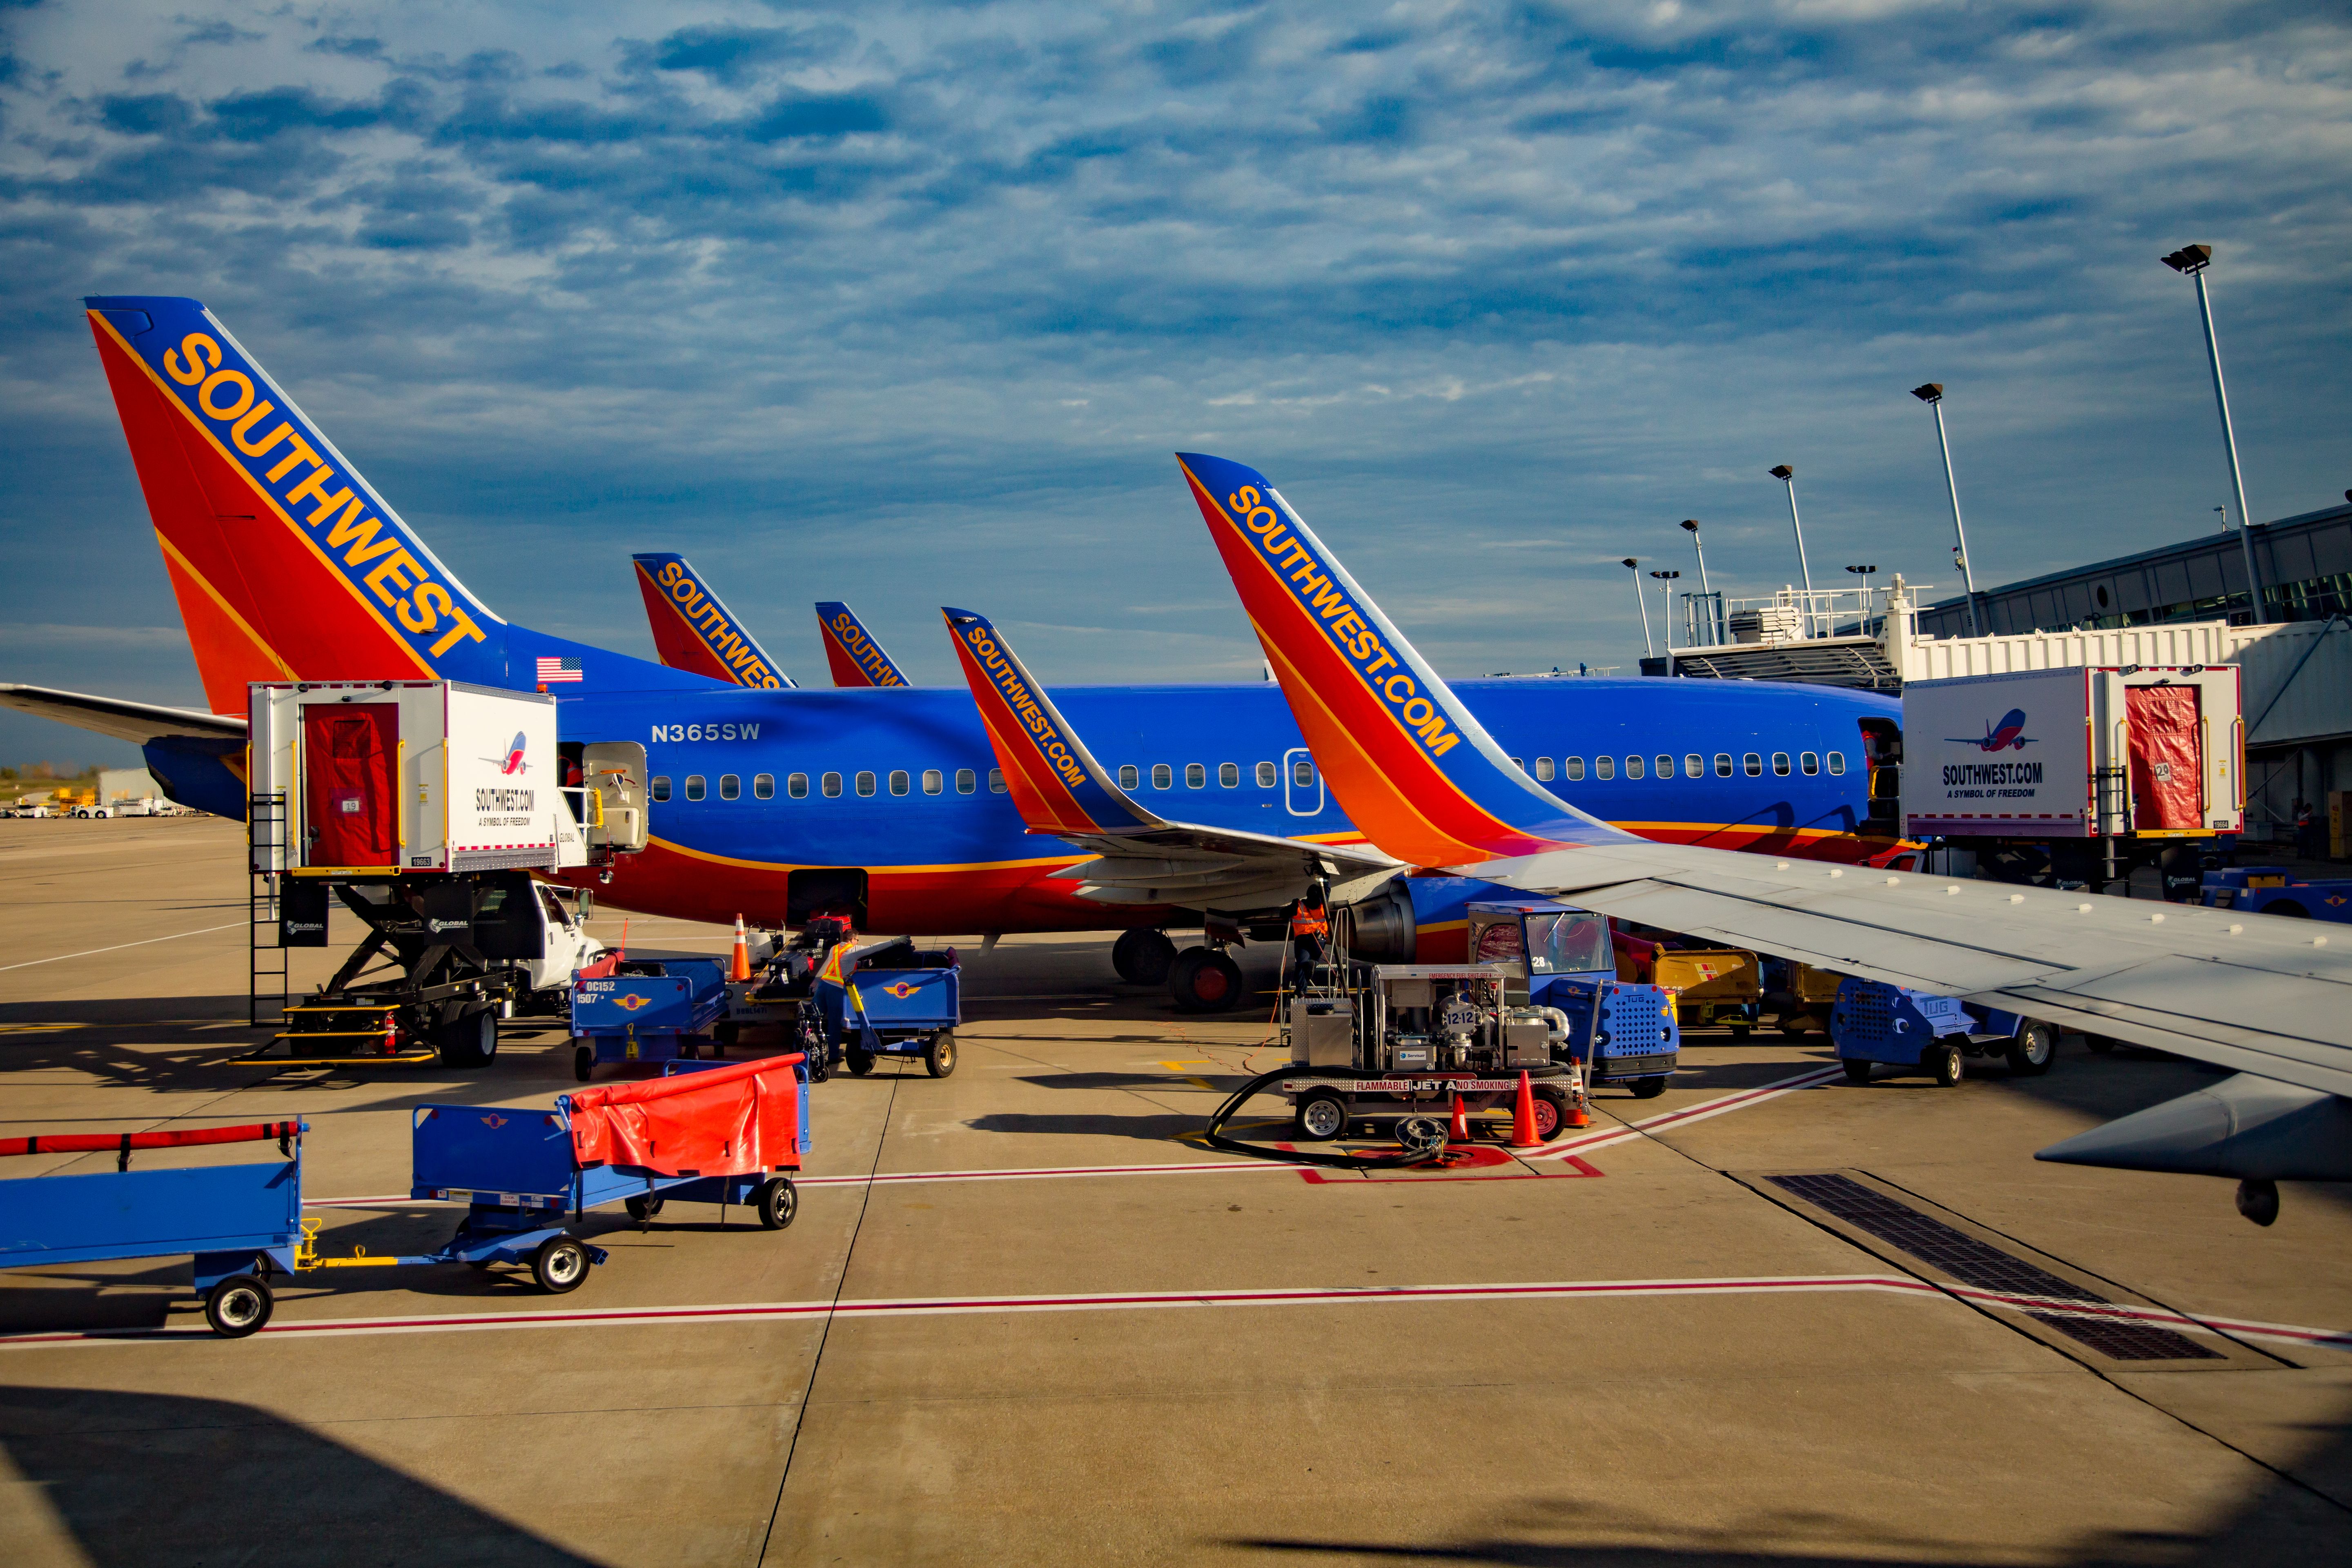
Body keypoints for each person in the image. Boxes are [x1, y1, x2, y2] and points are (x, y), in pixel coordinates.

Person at [1290, 882, 1331, 976]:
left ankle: (1301, 985)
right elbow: (1327, 891)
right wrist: (1326, 879)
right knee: (1315, 958)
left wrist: (1293, 906)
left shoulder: (1299, 906)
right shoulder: (1323, 904)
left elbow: (1283, 913)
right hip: (1319, 937)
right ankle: (1314, 962)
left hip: (1302, 938)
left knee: (1301, 964)